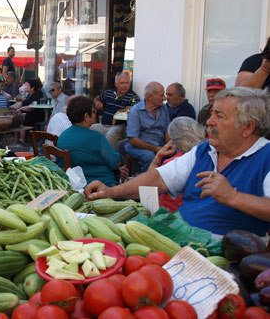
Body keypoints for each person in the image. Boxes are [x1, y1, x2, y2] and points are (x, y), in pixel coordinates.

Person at [85, 87, 270, 237]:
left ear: (248, 127)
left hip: (228, 253)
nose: (210, 122)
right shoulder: (204, 150)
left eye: (220, 116)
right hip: (181, 237)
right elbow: (158, 179)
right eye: (212, 114)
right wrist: (112, 192)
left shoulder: (266, 156)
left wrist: (233, 197)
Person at [57, 96, 121, 186]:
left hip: (72, 184)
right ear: (86, 116)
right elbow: (115, 163)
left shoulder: (62, 136)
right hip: (100, 186)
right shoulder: (97, 138)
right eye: (94, 112)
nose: (95, 115)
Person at [147, 117, 206, 212]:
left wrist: (156, 159)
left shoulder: (174, 163)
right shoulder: (206, 157)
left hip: (170, 215)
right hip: (195, 211)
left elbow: (149, 186)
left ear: (173, 139)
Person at [125, 82, 170, 172]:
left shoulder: (164, 108)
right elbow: (133, 139)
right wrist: (156, 149)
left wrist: (169, 146)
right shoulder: (136, 111)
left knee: (177, 155)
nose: (165, 98)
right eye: (161, 95)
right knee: (149, 157)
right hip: (139, 146)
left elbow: (167, 132)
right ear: (150, 97)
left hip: (160, 145)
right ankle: (146, 183)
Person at [90, 72, 138, 151]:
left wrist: (122, 111)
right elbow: (97, 97)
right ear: (116, 84)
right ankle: (94, 154)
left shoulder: (133, 96)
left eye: (127, 83)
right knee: (91, 128)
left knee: (111, 134)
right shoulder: (109, 93)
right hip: (103, 125)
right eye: (122, 83)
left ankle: (112, 160)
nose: (124, 85)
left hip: (120, 126)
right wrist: (97, 102)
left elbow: (135, 109)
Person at [18, 78, 45, 142]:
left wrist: (20, 109)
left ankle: (22, 140)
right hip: (30, 113)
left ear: (32, 88)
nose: (26, 87)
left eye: (28, 85)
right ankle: (16, 139)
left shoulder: (38, 94)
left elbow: (32, 107)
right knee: (17, 117)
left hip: (36, 115)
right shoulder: (29, 94)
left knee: (22, 118)